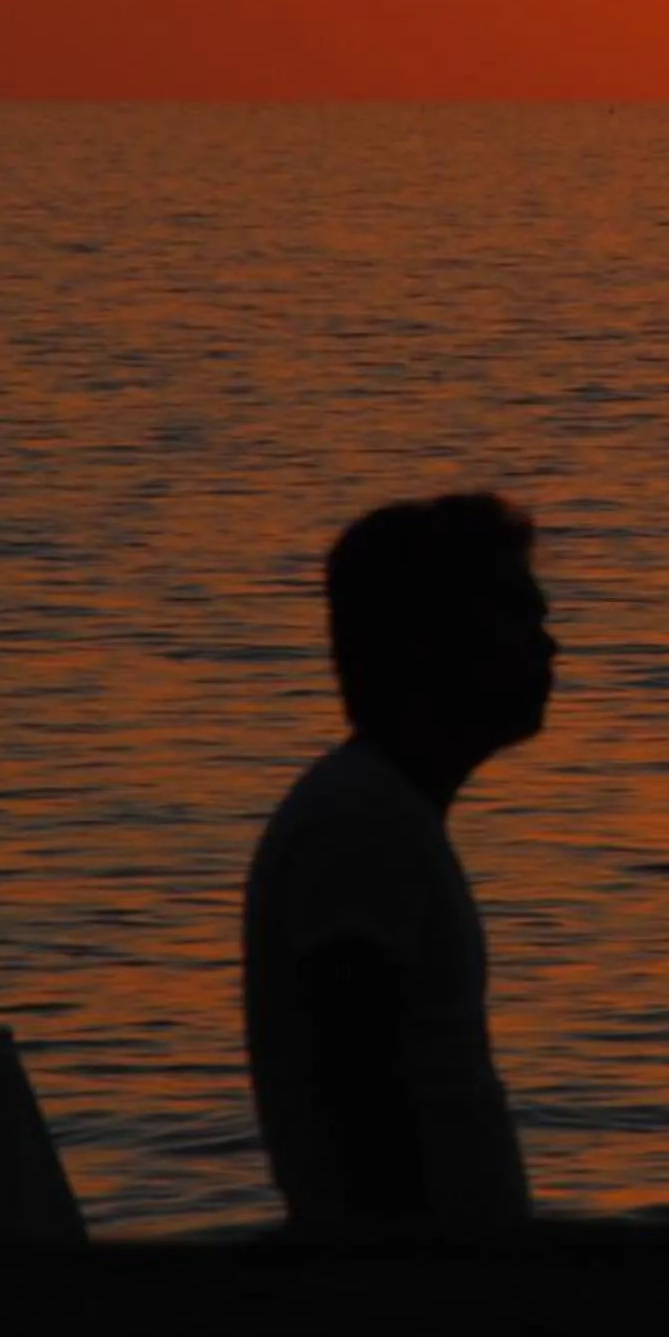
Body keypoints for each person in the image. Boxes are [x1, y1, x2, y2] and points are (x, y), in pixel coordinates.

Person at [242, 493, 555, 1237]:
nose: (549, 646)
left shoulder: (381, 814)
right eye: (519, 615)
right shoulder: (363, 826)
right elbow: (356, 1081)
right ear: (431, 640)